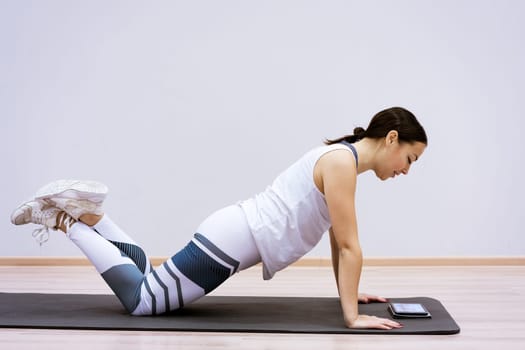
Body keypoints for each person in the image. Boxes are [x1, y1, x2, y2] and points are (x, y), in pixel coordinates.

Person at [11, 106, 427, 330]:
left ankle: (93, 215)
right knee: (141, 302)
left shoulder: (343, 163)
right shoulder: (340, 163)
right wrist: (351, 318)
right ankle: (63, 219)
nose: (407, 170)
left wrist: (351, 296)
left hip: (230, 234)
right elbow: (352, 244)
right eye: (409, 158)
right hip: (228, 241)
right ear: (392, 138)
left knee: (148, 281)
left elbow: (340, 242)